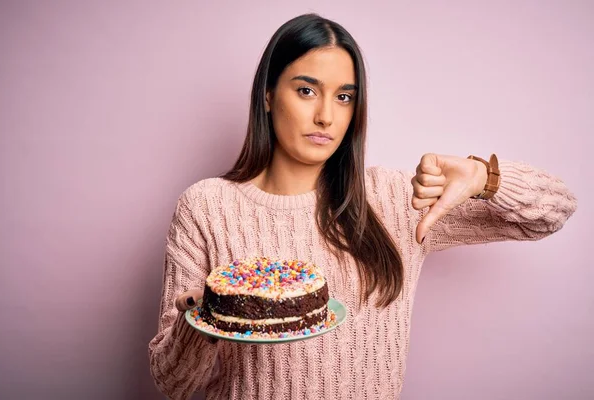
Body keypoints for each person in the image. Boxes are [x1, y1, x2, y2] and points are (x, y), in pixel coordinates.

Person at [148, 13, 577, 400]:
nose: (326, 117)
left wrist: (486, 178)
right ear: (267, 95)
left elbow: (554, 211)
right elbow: (174, 384)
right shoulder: (207, 206)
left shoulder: (395, 199)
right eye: (305, 90)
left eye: (344, 97)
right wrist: (204, 312)